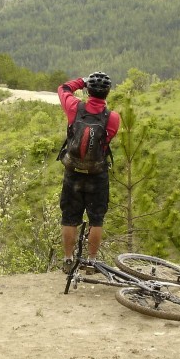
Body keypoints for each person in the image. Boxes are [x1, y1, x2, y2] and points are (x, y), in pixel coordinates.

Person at [57, 72, 121, 273]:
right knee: (96, 219)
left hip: (73, 172)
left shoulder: (75, 108)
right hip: (97, 174)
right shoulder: (113, 118)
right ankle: (92, 262)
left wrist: (81, 81)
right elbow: (107, 141)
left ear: (87, 90)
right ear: (107, 92)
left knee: (69, 218)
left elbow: (63, 88)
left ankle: (68, 260)